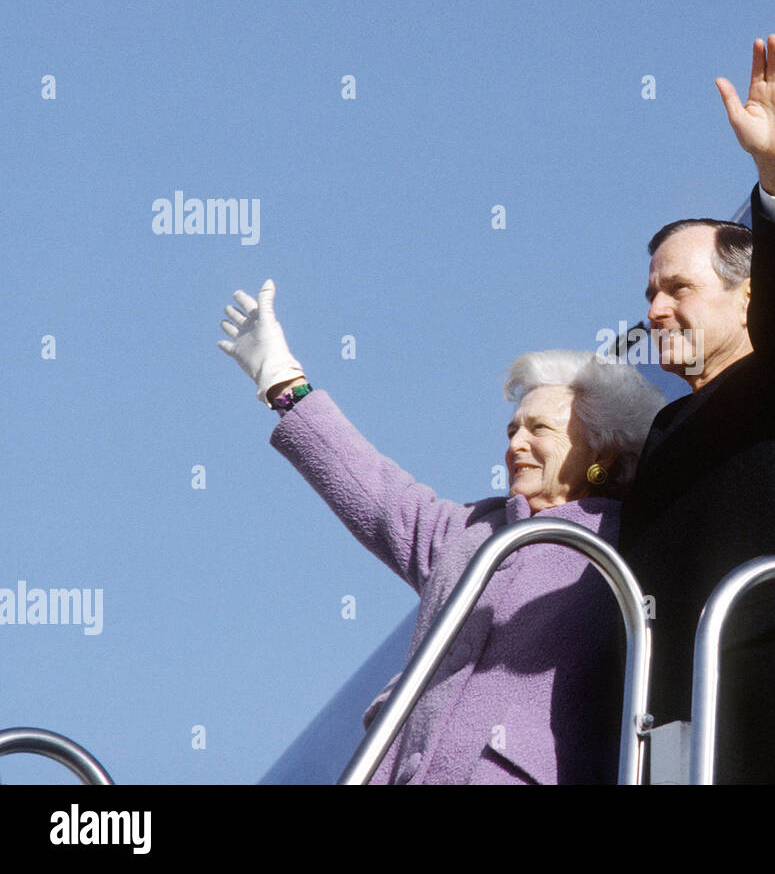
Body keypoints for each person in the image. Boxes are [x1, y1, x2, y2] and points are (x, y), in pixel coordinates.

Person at [217, 290, 664, 784]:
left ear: (601, 449)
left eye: (539, 429)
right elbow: (370, 486)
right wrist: (282, 381)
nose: (515, 443)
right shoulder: (471, 531)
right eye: (513, 428)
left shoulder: (631, 541)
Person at [619, 35, 775, 783]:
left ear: (749, 297)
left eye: (679, 289)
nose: (656, 311)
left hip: (774, 716)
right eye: (650, 296)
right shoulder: (664, 428)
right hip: (665, 729)